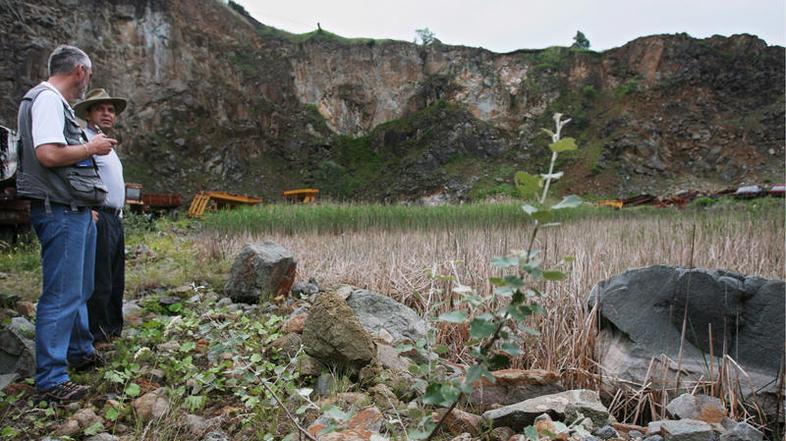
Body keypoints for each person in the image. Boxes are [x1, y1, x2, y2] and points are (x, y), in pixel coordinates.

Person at [16, 45, 117, 402]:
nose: (87, 82)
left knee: (79, 288)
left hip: (72, 209)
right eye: (88, 75)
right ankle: (53, 379)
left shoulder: (50, 102)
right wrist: (92, 148)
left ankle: (79, 351)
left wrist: (84, 202)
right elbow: (49, 153)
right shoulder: (47, 100)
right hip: (59, 212)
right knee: (61, 295)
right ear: (80, 71)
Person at [73, 89, 128, 345]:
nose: (107, 113)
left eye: (110, 110)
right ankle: (94, 336)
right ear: (89, 113)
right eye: (100, 109)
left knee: (116, 279)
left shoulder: (105, 143)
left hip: (115, 218)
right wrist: (85, 207)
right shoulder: (84, 140)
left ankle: (112, 331)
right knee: (100, 280)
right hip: (100, 216)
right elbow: (74, 174)